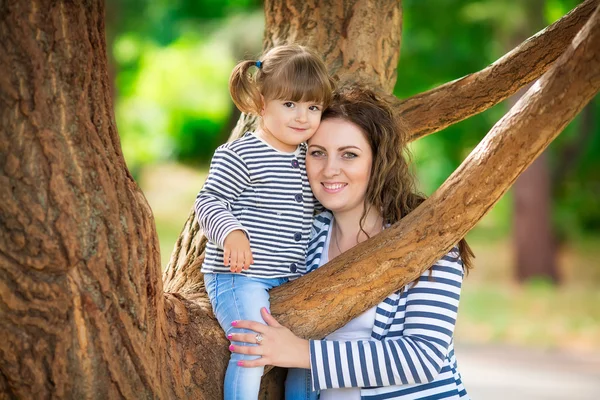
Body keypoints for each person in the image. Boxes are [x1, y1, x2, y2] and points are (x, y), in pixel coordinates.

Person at [227, 86, 474, 399]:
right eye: (318, 153)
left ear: (378, 160)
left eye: (349, 154)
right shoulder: (304, 238)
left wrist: (301, 353)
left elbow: (421, 357)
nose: (330, 169)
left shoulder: (424, 237)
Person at [194, 44, 335, 400]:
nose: (302, 117)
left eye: (313, 107)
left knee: (305, 353)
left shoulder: (310, 156)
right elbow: (209, 200)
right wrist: (231, 232)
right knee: (253, 345)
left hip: (291, 278)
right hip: (240, 276)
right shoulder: (240, 154)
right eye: (289, 104)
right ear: (260, 103)